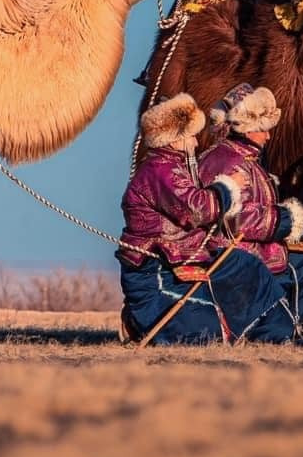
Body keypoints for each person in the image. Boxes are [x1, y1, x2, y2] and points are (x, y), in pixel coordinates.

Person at [116, 94, 290, 344]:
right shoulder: (161, 171)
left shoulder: (172, 166)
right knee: (209, 333)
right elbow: (198, 210)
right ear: (175, 138)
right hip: (155, 273)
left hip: (182, 258)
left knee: (245, 264)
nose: (197, 142)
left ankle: (275, 333)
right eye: (192, 135)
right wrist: (229, 186)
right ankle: (137, 321)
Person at [198, 85, 303, 337]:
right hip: (241, 257)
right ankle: (302, 326)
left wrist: (293, 215)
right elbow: (241, 220)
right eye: (264, 129)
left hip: (251, 249)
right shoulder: (232, 163)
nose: (268, 136)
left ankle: (302, 324)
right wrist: (290, 218)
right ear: (248, 127)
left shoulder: (237, 157)